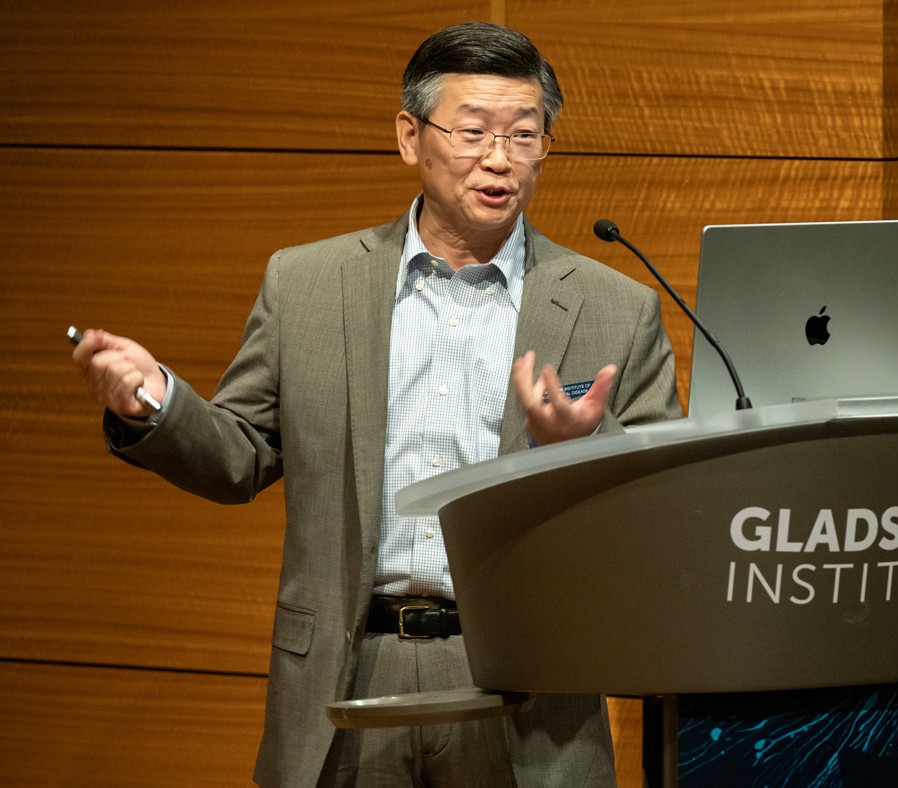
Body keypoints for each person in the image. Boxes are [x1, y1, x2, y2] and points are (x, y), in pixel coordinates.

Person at [71, 22, 679, 788]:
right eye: (475, 132)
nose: (501, 160)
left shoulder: (612, 305)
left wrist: (581, 443)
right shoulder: (308, 285)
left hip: (527, 689)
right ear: (409, 136)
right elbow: (238, 457)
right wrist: (154, 403)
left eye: (526, 136)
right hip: (349, 670)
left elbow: (663, 512)